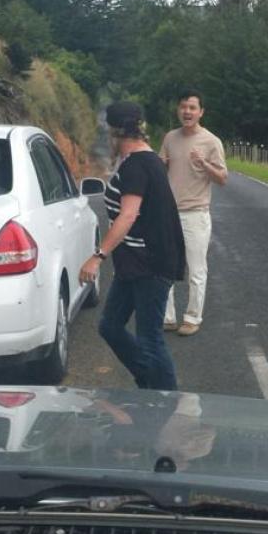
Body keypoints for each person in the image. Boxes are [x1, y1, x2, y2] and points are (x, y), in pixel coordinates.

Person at [79, 101, 186, 390]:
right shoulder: (135, 161)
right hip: (134, 264)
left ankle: (165, 398)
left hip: (150, 263)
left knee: (150, 337)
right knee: (110, 326)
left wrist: (98, 256)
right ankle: (150, 380)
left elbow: (128, 215)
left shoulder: (139, 164)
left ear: (114, 133)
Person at [159, 90, 228, 336]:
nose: (187, 112)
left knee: (195, 268)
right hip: (168, 213)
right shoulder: (170, 138)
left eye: (192, 107)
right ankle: (167, 317)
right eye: (183, 107)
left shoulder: (211, 141)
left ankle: (192, 317)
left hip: (195, 213)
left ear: (201, 112)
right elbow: (162, 168)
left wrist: (204, 163)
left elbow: (222, 178)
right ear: (178, 110)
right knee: (165, 266)